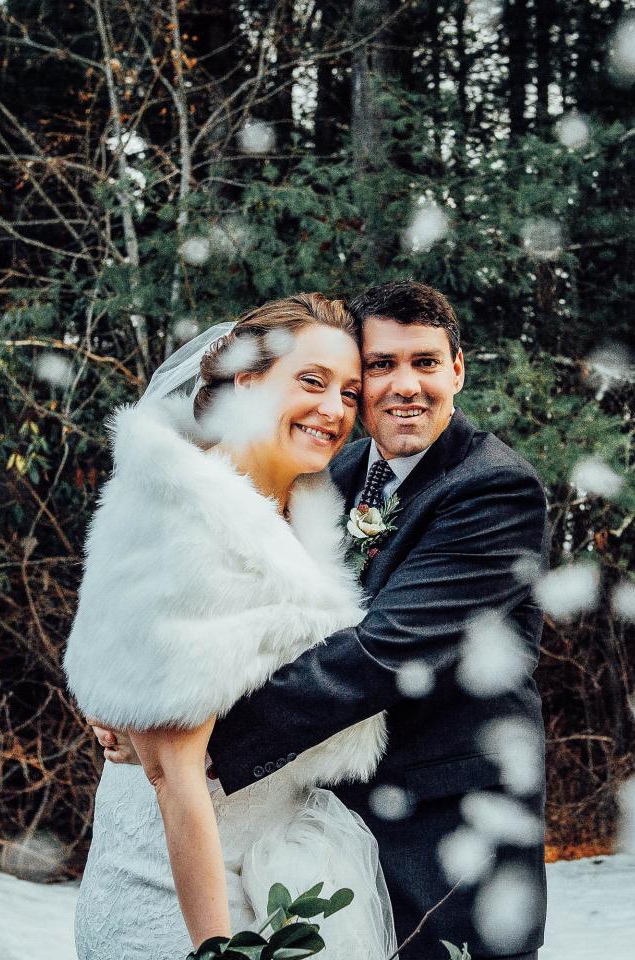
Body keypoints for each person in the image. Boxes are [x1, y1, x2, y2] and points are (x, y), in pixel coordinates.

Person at [97, 280, 550, 959]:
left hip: (448, 839)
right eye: (379, 366)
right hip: (324, 834)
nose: (404, 385)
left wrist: (183, 735)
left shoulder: (493, 489)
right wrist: (131, 689)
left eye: (425, 362)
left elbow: (384, 653)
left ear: (458, 369)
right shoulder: (322, 473)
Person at [64, 294, 396, 960]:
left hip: (278, 862)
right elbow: (174, 780)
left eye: (350, 392)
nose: (334, 409)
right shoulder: (192, 518)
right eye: (311, 381)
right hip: (175, 893)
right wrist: (214, 948)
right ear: (246, 378)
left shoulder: (308, 510)